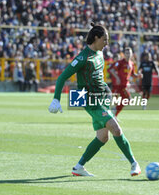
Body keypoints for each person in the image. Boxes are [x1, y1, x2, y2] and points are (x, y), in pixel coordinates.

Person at [48, 23, 141, 177]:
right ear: (96, 38)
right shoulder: (82, 57)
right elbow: (62, 77)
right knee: (116, 128)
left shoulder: (99, 54)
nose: (107, 43)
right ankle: (133, 163)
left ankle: (78, 167)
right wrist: (56, 99)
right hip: (90, 101)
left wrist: (108, 92)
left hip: (102, 98)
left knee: (103, 137)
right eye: (105, 40)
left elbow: (99, 78)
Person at [108, 47, 138, 116]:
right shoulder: (120, 62)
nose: (128, 55)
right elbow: (112, 70)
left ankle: (114, 114)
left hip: (125, 85)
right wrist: (117, 77)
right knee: (128, 99)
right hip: (120, 86)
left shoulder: (131, 64)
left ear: (131, 54)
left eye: (129, 53)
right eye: (127, 53)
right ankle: (114, 111)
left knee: (124, 101)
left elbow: (133, 74)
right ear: (124, 54)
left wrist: (138, 75)